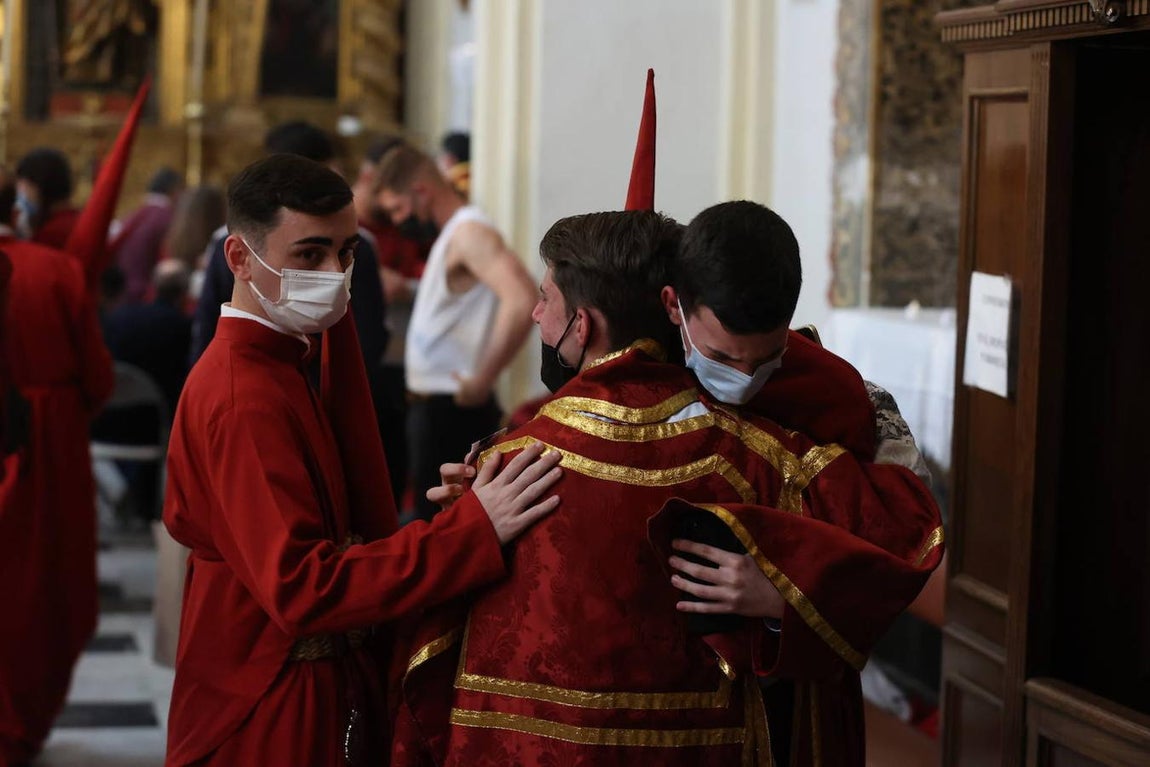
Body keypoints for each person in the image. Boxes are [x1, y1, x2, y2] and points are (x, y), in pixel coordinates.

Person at [392, 209, 943, 766]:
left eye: (767, 359)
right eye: (724, 358)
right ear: (672, 307)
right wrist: (473, 514)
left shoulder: (831, 401)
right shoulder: (759, 450)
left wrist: (785, 597)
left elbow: (895, 546)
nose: (746, 377)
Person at [162, 153, 563, 766]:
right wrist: (471, 531)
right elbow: (303, 587)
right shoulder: (242, 395)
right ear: (240, 258)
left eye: (346, 253)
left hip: (313, 679)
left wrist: (459, 515)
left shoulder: (284, 363)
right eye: (310, 255)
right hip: (273, 696)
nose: (335, 272)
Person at [0, 179, 115, 766]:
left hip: (35, 426)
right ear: (16, 210)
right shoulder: (56, 270)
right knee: (44, 582)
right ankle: (23, 721)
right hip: (50, 435)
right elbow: (97, 373)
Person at [374, 144, 536, 521]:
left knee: (443, 524)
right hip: (434, 405)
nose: (399, 221)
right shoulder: (454, 234)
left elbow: (522, 297)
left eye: (399, 208)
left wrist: (483, 377)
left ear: (421, 190)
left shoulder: (469, 233)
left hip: (452, 407)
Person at [351, 135, 428, 508]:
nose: (394, 213)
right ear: (367, 178)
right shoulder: (350, 229)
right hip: (363, 360)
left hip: (401, 360)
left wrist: (407, 283)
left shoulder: (408, 225)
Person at [109, 166, 183, 304]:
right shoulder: (167, 218)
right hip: (150, 297)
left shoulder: (133, 216)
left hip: (123, 296)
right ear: (175, 190)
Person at [13, 147, 80, 249]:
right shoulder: (80, 220)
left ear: (40, 185)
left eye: (25, 185)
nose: (21, 193)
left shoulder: (51, 235)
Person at [437, 130, 471, 200]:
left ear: (450, 159)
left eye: (441, 156)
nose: (438, 161)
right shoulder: (474, 176)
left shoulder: (449, 186)